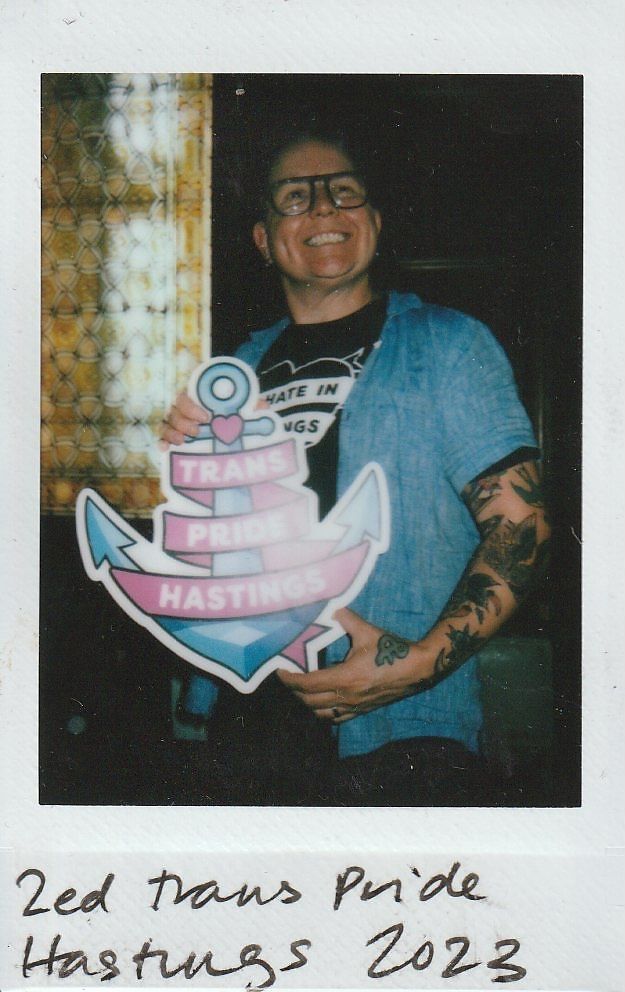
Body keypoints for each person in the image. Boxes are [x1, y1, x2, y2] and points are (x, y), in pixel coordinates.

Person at [160, 129, 550, 805]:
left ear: (372, 222)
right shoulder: (232, 370)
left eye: (344, 191)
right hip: (242, 725)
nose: (322, 210)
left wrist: (419, 665)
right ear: (262, 238)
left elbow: (525, 525)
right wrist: (177, 461)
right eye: (294, 197)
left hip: (395, 736)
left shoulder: (446, 344)